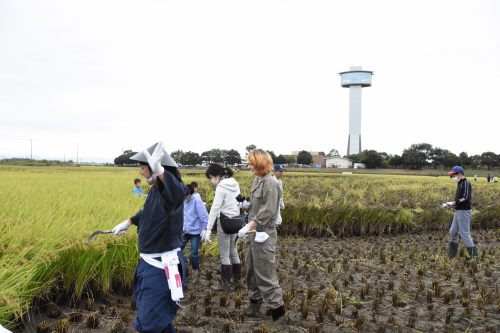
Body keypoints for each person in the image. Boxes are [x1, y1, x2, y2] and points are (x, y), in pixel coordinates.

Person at [111, 142, 187, 333]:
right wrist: (128, 222)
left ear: (156, 168)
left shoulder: (172, 193)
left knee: (150, 322)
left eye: (144, 167)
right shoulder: (156, 192)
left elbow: (178, 193)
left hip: (160, 267)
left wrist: (160, 170)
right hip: (149, 264)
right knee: (159, 320)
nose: (141, 171)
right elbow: (147, 211)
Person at [240, 149, 285, 322]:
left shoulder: (270, 183)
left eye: (251, 163)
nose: (249, 166)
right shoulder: (257, 180)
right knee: (251, 271)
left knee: (265, 273)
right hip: (252, 234)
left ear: (260, 163)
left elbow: (268, 210)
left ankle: (278, 312)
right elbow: (255, 206)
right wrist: (245, 206)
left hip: (264, 234)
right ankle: (254, 305)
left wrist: (250, 224)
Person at [201, 164, 242, 290]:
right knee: (233, 251)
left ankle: (225, 284)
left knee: (224, 254)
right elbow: (239, 203)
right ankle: (236, 280)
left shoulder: (221, 186)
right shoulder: (235, 183)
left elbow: (215, 208)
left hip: (224, 222)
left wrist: (208, 228)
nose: (212, 180)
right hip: (235, 221)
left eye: (211, 177)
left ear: (215, 175)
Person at [442, 166, 478, 260]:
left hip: (464, 211)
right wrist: (450, 204)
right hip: (458, 211)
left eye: (453, 175)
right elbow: (459, 199)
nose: (452, 178)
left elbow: (465, 198)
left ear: (459, 174)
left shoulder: (466, 183)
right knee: (452, 231)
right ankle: (452, 255)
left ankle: (475, 257)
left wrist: (453, 203)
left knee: (464, 234)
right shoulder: (460, 183)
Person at [182, 183, 208, 275]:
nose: (184, 198)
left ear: (189, 194)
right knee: (178, 249)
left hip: (196, 232)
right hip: (185, 231)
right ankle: (182, 265)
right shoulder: (183, 199)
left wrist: (205, 229)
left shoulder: (197, 200)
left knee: (193, 253)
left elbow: (204, 217)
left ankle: (195, 270)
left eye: (185, 196)